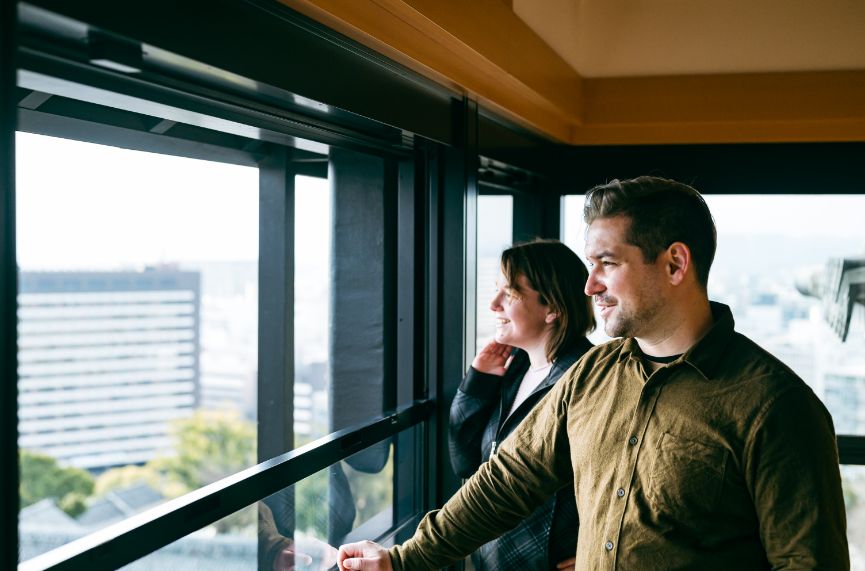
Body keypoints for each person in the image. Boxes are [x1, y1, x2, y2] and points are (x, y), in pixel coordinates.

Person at [337, 176, 849, 571]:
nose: (588, 286)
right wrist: (405, 559)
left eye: (606, 263)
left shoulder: (776, 406)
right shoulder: (592, 376)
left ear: (674, 264)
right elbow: (505, 482)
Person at [449, 239, 595, 571]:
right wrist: (478, 381)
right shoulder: (514, 369)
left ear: (552, 308)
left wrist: (598, 553)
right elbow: (465, 463)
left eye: (510, 294)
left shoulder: (586, 379)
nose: (493, 304)